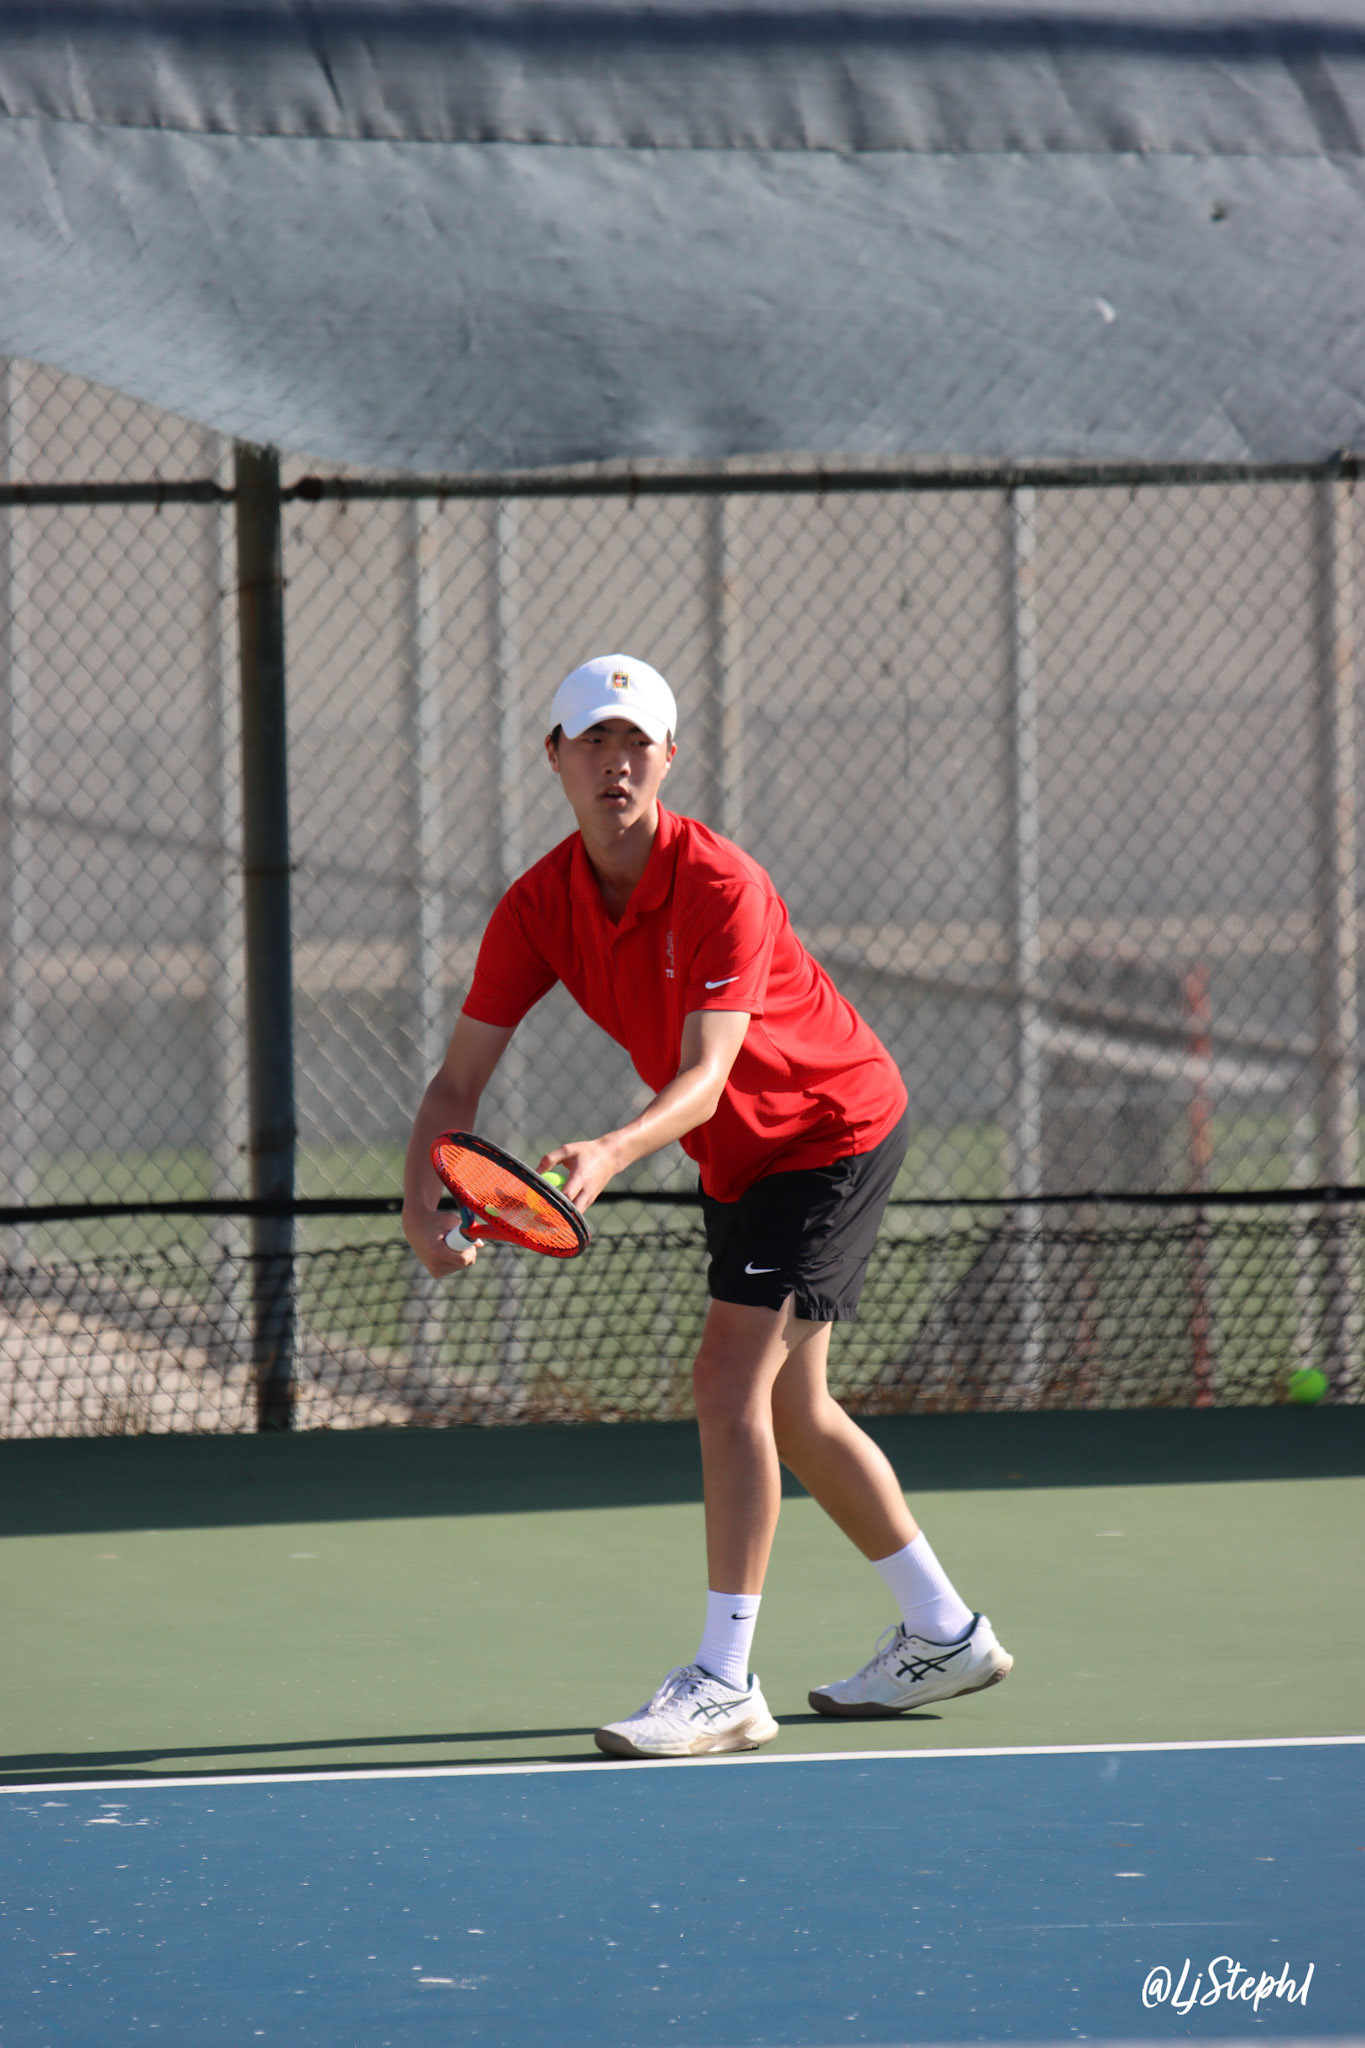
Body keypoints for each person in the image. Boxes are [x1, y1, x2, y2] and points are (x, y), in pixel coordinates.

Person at [402, 653, 1012, 1758]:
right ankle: (945, 1631)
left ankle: (724, 1681)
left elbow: (707, 1075)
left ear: (669, 758)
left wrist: (610, 1149)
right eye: (593, 741)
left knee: (727, 1379)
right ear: (554, 757)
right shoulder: (537, 907)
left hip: (827, 1127)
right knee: (793, 1409)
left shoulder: (723, 883)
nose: (615, 763)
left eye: (636, 742)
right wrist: (418, 1207)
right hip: (738, 1158)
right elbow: (455, 1085)